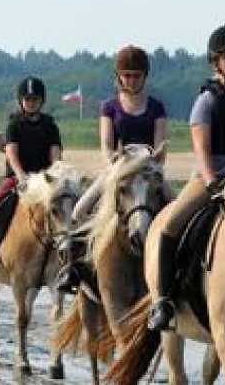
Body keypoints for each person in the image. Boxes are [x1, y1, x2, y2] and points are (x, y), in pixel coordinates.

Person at [144, 23, 225, 333]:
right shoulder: (206, 101)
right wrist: (211, 182)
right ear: (216, 62)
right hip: (213, 177)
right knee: (169, 225)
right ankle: (163, 300)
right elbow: (202, 149)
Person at [55, 45, 169, 294]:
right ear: (118, 77)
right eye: (126, 75)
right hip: (118, 169)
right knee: (80, 209)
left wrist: (150, 165)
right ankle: (73, 269)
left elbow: (161, 149)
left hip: (149, 171)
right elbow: (106, 146)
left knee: (176, 209)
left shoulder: (157, 107)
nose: (131, 80)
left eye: (136, 75)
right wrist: (117, 165)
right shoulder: (109, 106)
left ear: (145, 76)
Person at [0, 76, 63, 271]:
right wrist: (20, 175)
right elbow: (11, 153)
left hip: (44, 179)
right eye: (27, 99)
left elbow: (55, 154)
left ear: (41, 101)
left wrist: (56, 173)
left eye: (35, 99)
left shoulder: (50, 125)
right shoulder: (14, 124)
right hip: (18, 178)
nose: (31, 103)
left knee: (68, 203)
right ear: (21, 101)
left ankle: (72, 255)